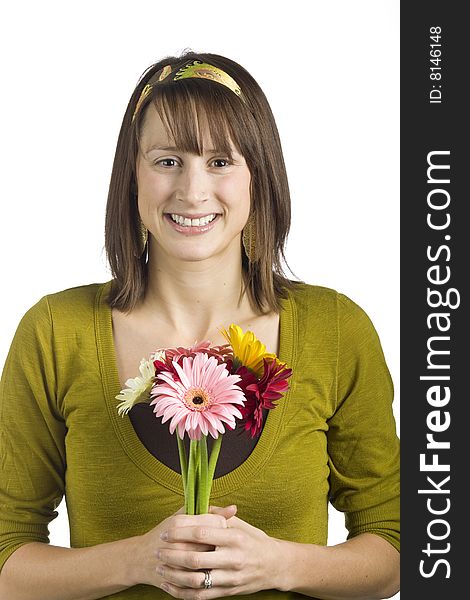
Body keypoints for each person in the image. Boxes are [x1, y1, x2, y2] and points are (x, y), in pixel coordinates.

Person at [0, 51, 400, 599]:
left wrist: (278, 566)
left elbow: (398, 545)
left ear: (260, 175)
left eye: (220, 161)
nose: (192, 191)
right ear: (131, 177)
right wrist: (137, 560)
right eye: (168, 160)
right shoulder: (54, 332)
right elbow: (5, 555)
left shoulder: (337, 330)